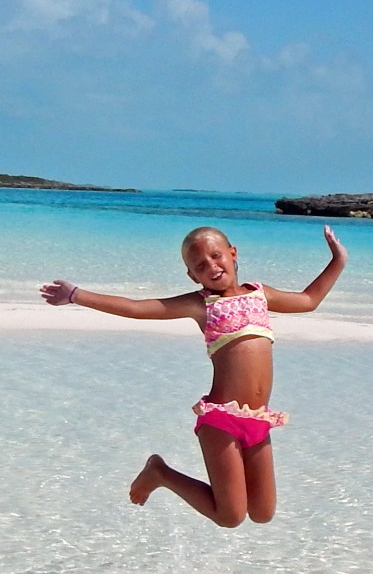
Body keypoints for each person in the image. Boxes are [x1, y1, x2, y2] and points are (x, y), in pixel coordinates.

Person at [40, 224, 347, 526]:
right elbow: (137, 307)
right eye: (200, 265)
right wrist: (76, 295)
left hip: (258, 418)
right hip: (220, 420)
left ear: (233, 252)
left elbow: (309, 300)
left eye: (216, 256)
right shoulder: (200, 305)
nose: (211, 266)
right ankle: (160, 473)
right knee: (230, 516)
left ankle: (162, 473)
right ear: (192, 275)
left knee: (263, 513)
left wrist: (338, 260)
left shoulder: (260, 294)